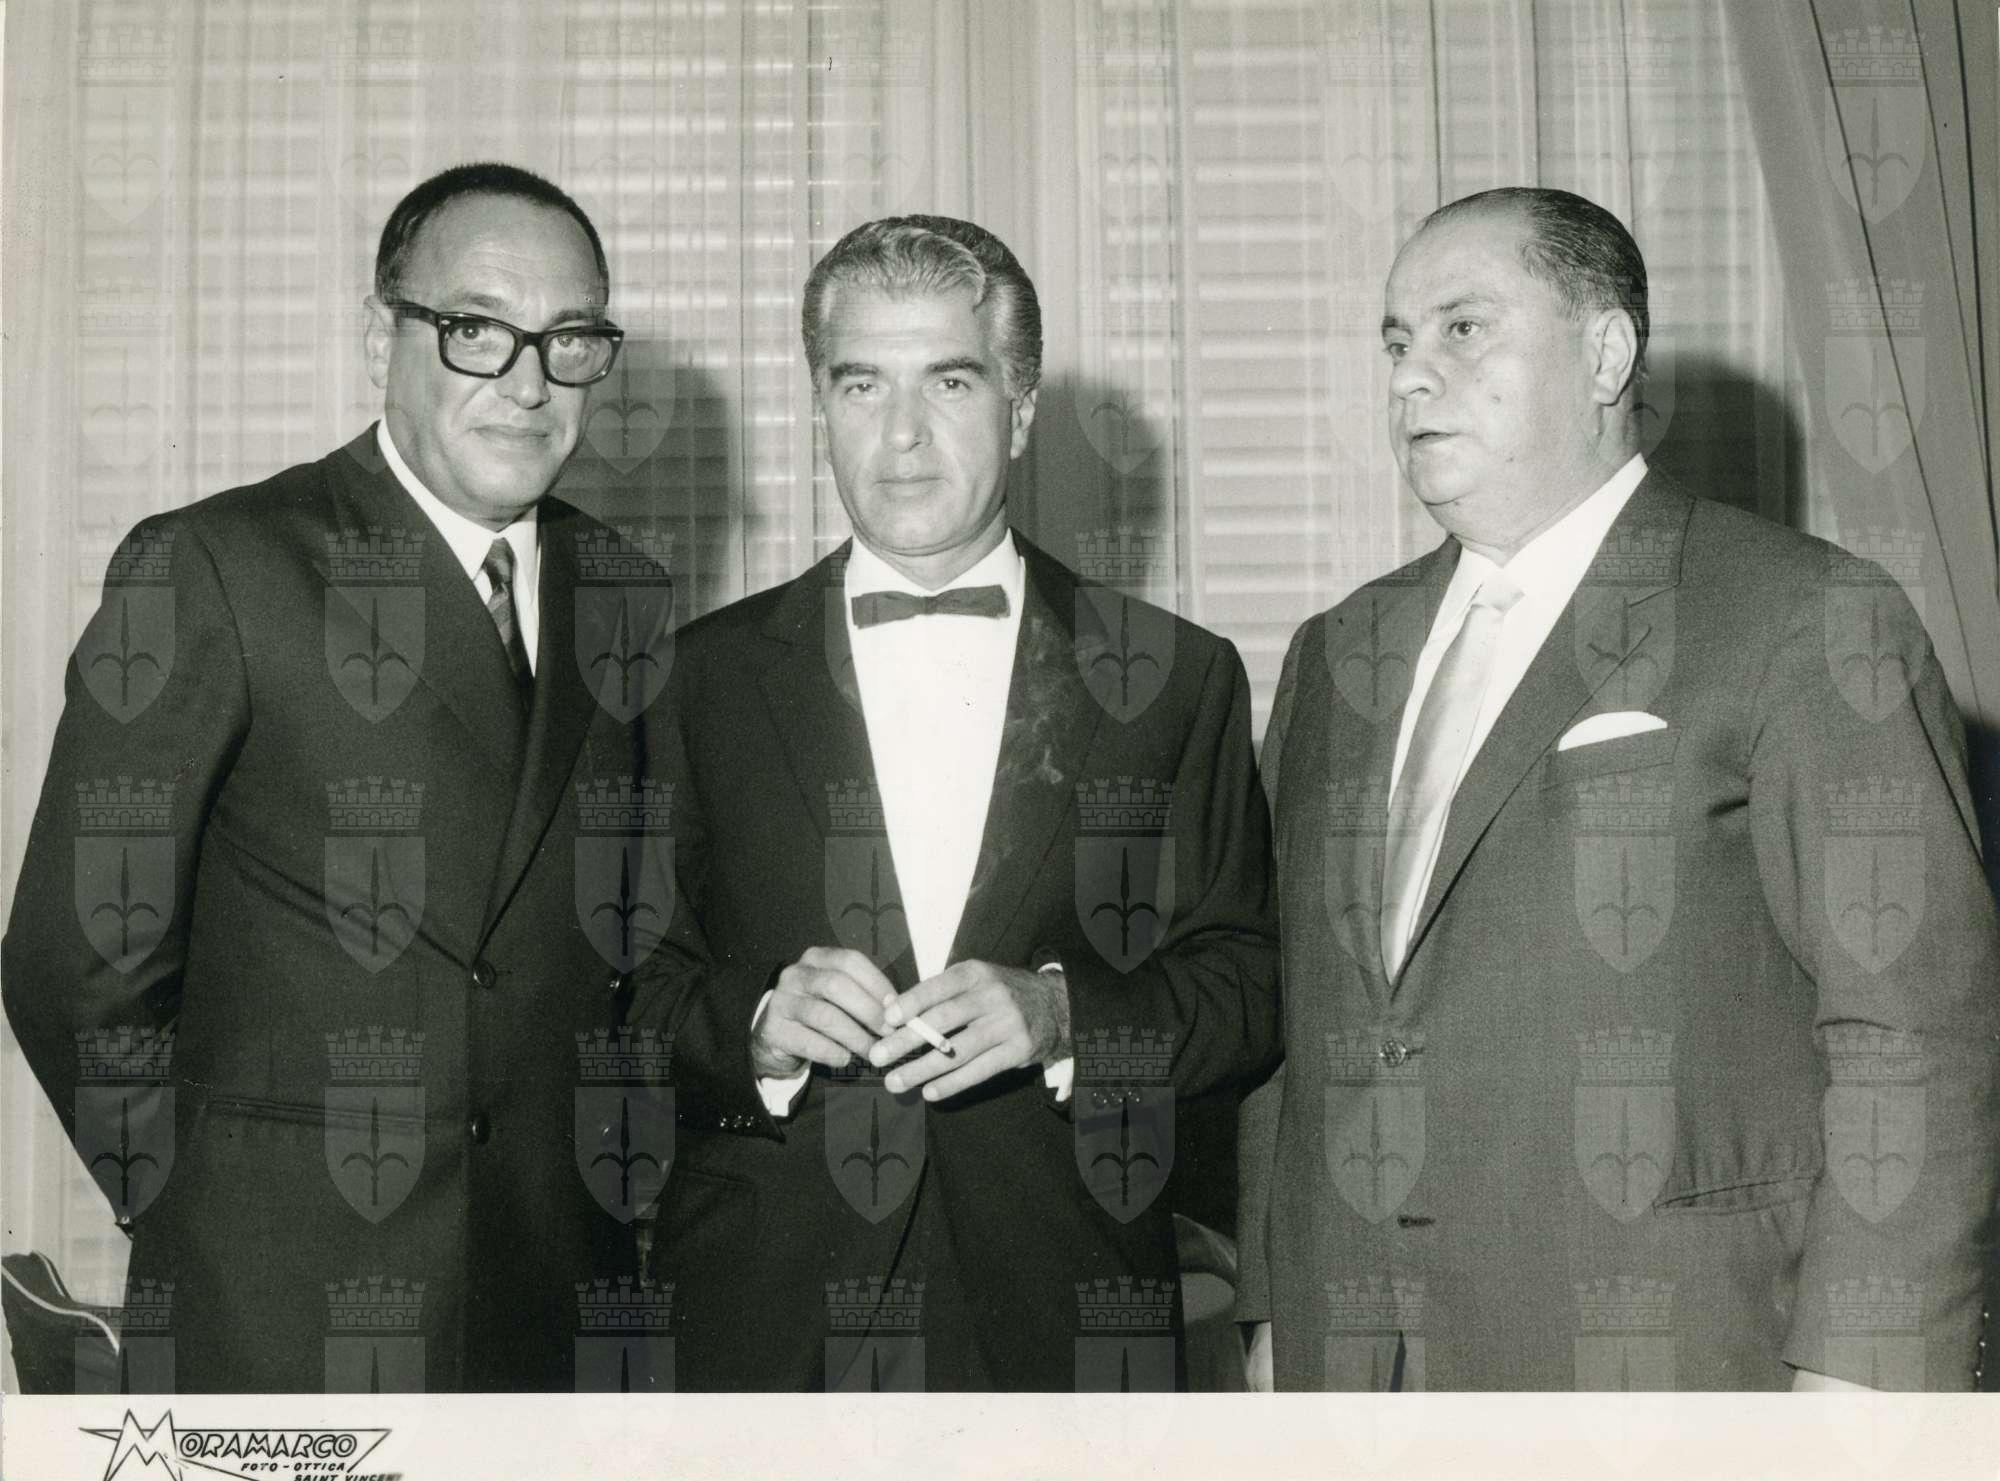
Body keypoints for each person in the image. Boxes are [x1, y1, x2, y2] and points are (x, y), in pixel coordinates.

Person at [1236, 186, 2000, 1391]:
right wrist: (1274, 1305)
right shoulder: (1338, 652)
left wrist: (1863, 1370)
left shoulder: (1805, 615)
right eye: (1395, 342)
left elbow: (1910, 1028)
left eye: (1462, 329)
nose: (1410, 377)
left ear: (1603, 355)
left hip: (1679, 1356)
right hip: (1356, 1364)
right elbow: (1293, 1022)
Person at [3, 162, 668, 1391]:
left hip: (550, 1305)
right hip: (276, 1305)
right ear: (381, 338)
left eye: (570, 339)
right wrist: (205, 1203)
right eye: (476, 329)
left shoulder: (623, 590)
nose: (528, 382)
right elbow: (72, 962)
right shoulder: (216, 566)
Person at [633, 214, 1280, 1390]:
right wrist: (757, 1023)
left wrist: (1064, 1016)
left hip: (1064, 1306)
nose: (901, 434)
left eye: (948, 380)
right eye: (860, 384)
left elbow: (1244, 985)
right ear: (819, 407)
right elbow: (621, 990)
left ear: (1019, 410)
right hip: (760, 1317)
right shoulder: (693, 680)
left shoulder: (1174, 677)